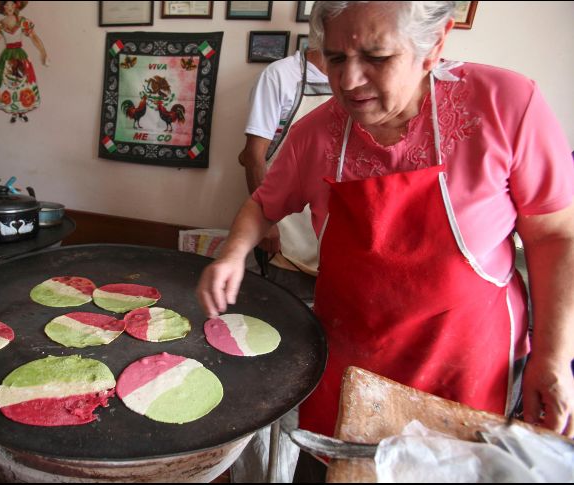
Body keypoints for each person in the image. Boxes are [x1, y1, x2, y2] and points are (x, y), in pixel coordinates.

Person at [197, 0, 574, 447]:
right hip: (351, 359)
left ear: (434, 44)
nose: (349, 81)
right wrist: (233, 254)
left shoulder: (504, 105)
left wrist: (552, 355)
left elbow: (555, 235)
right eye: (335, 58)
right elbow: (263, 205)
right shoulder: (315, 134)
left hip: (465, 363)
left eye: (376, 57)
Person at [238, 10, 332, 302]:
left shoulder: (357, 80)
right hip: (287, 227)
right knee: (284, 308)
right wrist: (267, 223)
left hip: (332, 226)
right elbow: (253, 156)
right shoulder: (281, 76)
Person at [0, 1, 49, 123]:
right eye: (7, 5)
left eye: (12, 4)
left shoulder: (22, 21)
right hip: (7, 57)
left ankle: (22, 111)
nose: (10, 7)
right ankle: (13, 112)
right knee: (9, 83)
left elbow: (34, 37)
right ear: (3, 7)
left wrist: (43, 52)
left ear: (16, 6)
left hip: (20, 56)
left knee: (24, 82)